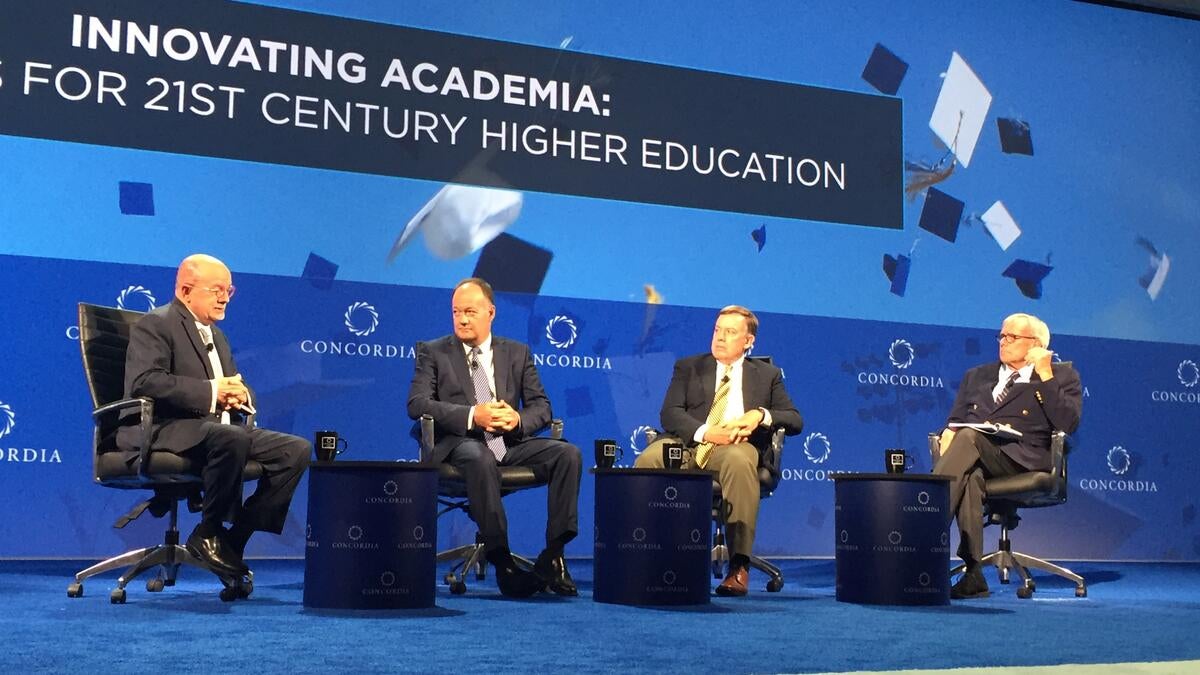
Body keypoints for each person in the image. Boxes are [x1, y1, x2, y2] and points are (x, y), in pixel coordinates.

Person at [117, 254, 311, 584]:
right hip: (161, 427)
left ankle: (234, 541)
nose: (224, 297)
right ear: (186, 290)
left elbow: (231, 382)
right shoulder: (157, 323)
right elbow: (145, 381)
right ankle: (208, 531)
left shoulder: (215, 334)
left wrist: (241, 395)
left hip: (211, 430)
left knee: (296, 450)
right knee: (230, 437)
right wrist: (212, 392)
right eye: (217, 289)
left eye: (229, 290)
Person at [407, 278, 582, 598]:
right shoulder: (433, 352)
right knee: (479, 456)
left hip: (509, 443)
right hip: (460, 445)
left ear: (491, 313)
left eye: (470, 311)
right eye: (456, 312)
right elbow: (417, 404)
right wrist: (475, 415)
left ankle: (553, 554)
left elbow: (542, 408)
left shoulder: (517, 353)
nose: (461, 319)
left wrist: (516, 419)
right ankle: (502, 560)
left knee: (568, 454)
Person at [635, 305, 803, 596]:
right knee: (649, 458)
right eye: (717, 330)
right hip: (689, 443)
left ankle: (739, 566)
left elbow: (795, 419)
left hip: (734, 449)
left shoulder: (767, 375)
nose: (720, 337)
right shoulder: (688, 367)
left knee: (740, 459)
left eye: (730, 332)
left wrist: (760, 415)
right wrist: (707, 432)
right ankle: (642, 554)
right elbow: (670, 414)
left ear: (748, 341)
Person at [933, 312, 1082, 600]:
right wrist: (947, 435)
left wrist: (1045, 374)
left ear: (1036, 343)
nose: (1003, 341)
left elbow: (1067, 424)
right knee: (970, 473)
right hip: (976, 456)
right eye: (1001, 335)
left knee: (970, 438)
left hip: (1024, 461)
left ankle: (922, 532)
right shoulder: (976, 376)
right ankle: (973, 573)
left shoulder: (1061, 376)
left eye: (1012, 337)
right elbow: (955, 422)